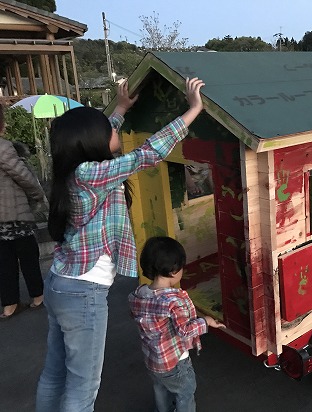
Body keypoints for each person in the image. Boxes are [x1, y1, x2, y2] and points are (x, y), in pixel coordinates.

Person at [35, 77, 205, 412]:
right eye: (108, 128)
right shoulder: (92, 173)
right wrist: (194, 109)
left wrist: (121, 110)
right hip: (83, 292)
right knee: (84, 386)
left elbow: (102, 136)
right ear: (93, 141)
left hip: (60, 282)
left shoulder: (75, 168)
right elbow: (148, 153)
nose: (115, 131)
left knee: (55, 374)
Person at [129, 236, 225, 412]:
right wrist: (206, 322)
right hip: (175, 363)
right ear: (174, 271)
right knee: (185, 392)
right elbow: (185, 331)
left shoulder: (138, 295)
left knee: (160, 388)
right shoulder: (173, 301)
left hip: (152, 360)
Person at [0, 106, 48, 320]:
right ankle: (38, 296)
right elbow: (23, 175)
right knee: (28, 255)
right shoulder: (3, 147)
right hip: (14, 212)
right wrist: (39, 194)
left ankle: (9, 305)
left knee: (4, 260)